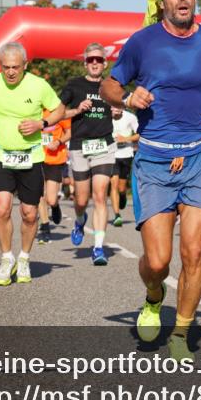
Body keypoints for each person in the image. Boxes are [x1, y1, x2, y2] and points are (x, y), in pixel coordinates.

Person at [101, 0, 201, 361]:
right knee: (159, 261)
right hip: (154, 158)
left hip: (200, 156)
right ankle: (153, 296)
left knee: (194, 251)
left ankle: (181, 330)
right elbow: (109, 87)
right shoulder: (142, 42)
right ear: (162, 3)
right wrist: (130, 97)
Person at [0, 42, 66, 286]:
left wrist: (41, 124)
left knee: (29, 214)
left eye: (15, 67)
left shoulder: (38, 85)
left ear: (25, 65)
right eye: (5, 67)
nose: (10, 72)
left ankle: (24, 257)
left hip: (30, 156)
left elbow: (59, 109)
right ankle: (6, 258)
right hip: (1, 154)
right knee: (2, 208)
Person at [60, 43, 117, 266]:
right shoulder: (74, 85)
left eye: (99, 60)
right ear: (85, 63)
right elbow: (58, 112)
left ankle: (98, 247)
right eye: (91, 60)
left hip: (105, 144)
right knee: (82, 200)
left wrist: (118, 111)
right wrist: (76, 109)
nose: (95, 63)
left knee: (100, 195)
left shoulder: (111, 85)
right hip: (79, 146)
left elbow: (120, 110)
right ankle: (79, 220)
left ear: (105, 63)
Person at [37, 106, 72, 243]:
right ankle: (45, 227)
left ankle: (55, 206)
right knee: (39, 194)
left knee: (51, 199)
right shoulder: (33, 109)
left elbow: (69, 132)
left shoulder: (58, 111)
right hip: (36, 157)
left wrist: (58, 142)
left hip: (54, 158)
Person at [111, 104, 140, 228]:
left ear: (122, 108)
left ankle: (122, 196)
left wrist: (125, 139)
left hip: (126, 154)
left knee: (121, 188)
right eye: (113, 107)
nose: (115, 110)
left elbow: (140, 134)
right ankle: (117, 215)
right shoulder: (106, 117)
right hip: (111, 155)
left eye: (118, 107)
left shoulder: (130, 117)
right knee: (114, 185)